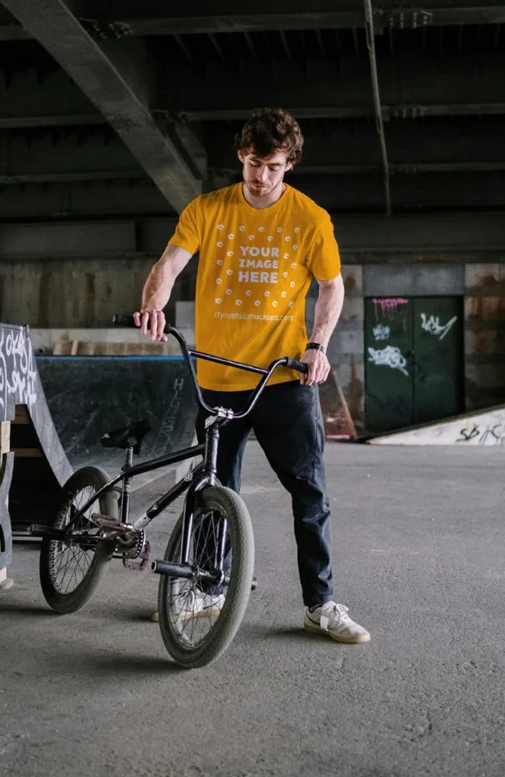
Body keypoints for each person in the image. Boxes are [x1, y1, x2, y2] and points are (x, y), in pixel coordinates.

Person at [134, 107, 369, 645]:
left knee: (309, 493)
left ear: (289, 166)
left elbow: (331, 288)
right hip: (216, 378)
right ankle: (210, 588)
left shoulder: (310, 219)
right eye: (254, 163)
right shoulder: (207, 210)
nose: (261, 176)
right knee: (214, 489)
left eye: (274, 166)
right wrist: (153, 304)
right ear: (242, 156)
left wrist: (317, 346)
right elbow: (169, 264)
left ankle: (320, 604)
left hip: (283, 379)